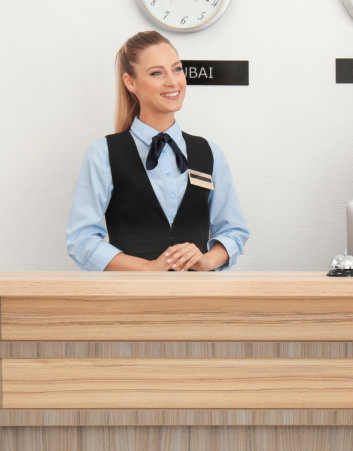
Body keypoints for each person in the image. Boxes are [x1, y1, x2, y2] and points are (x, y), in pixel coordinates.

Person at [66, 31, 249, 271]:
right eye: (156, 73)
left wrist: (207, 261)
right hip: (130, 300)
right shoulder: (103, 154)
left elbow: (234, 231)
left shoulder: (210, 153)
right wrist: (147, 268)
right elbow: (81, 239)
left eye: (177, 69)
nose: (173, 82)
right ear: (130, 82)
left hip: (199, 299)